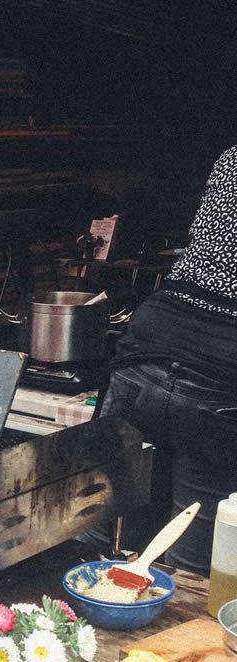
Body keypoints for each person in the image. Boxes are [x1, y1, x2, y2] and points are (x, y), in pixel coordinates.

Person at [98, 146, 237, 574]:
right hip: (219, 367)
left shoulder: (231, 158)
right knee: (190, 561)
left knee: (94, 518)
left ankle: (63, 620)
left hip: (152, 336)